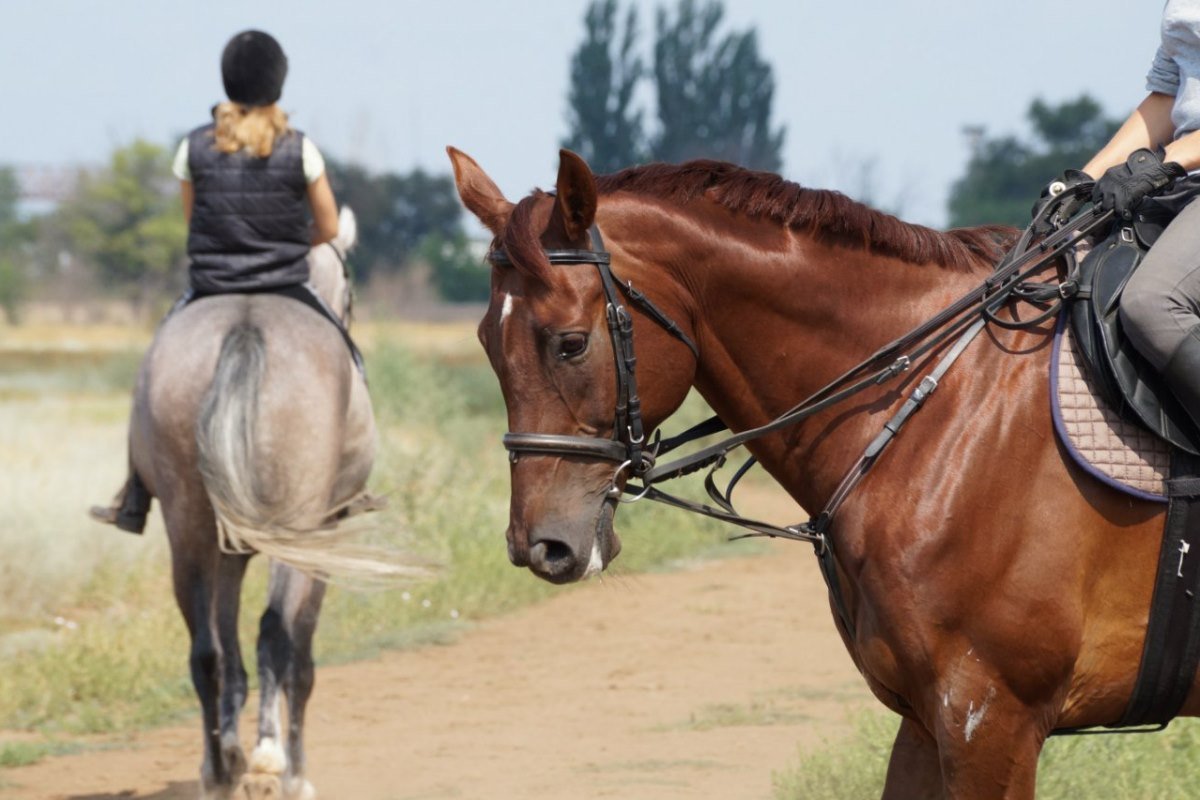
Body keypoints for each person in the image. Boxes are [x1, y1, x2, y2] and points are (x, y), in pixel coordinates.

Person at [90, 29, 341, 533]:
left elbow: (193, 219)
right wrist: (289, 244)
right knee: (346, 358)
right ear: (278, 84)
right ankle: (346, 480)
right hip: (287, 283)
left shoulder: (194, 148)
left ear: (227, 81)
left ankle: (134, 494)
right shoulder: (301, 148)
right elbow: (331, 228)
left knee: (152, 369)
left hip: (211, 284)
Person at [1038, 0, 1200, 432]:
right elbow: (1169, 97)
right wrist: (1081, 182)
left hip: (1182, 169)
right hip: (1183, 176)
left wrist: (1162, 163)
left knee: (1153, 303)